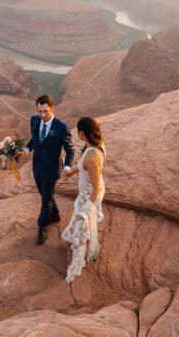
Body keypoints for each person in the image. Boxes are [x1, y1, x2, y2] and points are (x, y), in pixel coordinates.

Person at [22, 94, 75, 245]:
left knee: (45, 200)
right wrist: (26, 149)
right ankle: (56, 214)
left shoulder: (61, 127)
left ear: (52, 108)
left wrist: (67, 167)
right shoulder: (34, 120)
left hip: (52, 170)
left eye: (45, 111)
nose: (42, 115)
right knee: (45, 194)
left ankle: (42, 226)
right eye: (39, 111)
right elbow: (34, 138)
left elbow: (70, 149)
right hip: (37, 166)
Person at [61, 117, 106, 282]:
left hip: (90, 194)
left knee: (83, 226)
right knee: (85, 225)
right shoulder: (98, 146)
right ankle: (87, 250)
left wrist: (87, 208)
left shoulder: (90, 156)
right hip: (89, 191)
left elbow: (96, 188)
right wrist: (70, 172)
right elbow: (82, 167)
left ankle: (75, 269)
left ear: (81, 134)